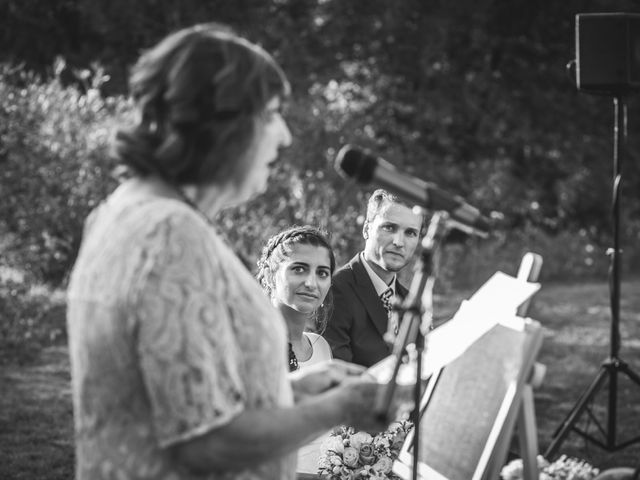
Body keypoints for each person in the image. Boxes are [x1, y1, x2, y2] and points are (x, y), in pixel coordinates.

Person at [66, 23, 403, 480]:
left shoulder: (121, 211)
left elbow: (179, 403)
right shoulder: (170, 233)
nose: (283, 135)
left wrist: (294, 392)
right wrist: (338, 409)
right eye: (271, 114)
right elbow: (204, 446)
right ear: (224, 121)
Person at [323, 189, 424, 367]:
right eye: (389, 228)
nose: (399, 242)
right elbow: (339, 377)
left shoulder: (412, 301)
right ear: (366, 229)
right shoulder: (334, 290)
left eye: (410, 233)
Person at [257, 225, 334, 371]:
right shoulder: (254, 343)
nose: (311, 284)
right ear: (269, 276)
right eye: (299, 269)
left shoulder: (321, 347)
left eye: (322, 273)